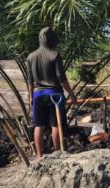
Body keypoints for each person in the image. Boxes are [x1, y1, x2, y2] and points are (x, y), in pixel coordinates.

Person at [26, 27, 77, 159]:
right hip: (54, 94)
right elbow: (61, 78)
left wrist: (30, 96)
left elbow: (30, 80)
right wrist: (71, 94)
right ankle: (57, 152)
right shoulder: (54, 55)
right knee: (55, 124)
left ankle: (39, 155)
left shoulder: (30, 57)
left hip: (38, 94)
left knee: (39, 125)